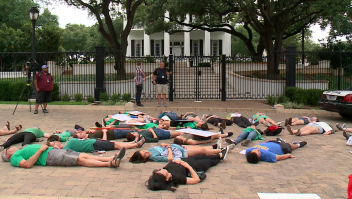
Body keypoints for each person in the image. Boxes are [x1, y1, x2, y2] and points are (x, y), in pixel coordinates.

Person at [145, 153, 226, 191]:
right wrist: (187, 166)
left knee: (204, 155)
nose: (160, 170)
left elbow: (171, 164)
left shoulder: (166, 170)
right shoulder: (177, 178)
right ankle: (220, 157)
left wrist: (176, 161)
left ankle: (219, 154)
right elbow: (196, 180)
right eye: (160, 172)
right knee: (209, 161)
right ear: (166, 178)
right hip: (196, 166)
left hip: (188, 160)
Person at [2, 144, 126, 169]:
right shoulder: (14, 158)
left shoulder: (20, 150)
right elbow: (27, 164)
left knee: (81, 154)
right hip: (49, 157)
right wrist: (40, 150)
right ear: (7, 154)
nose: (11, 146)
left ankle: (109, 158)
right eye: (9, 148)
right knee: (79, 160)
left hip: (52, 151)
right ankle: (110, 164)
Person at [129, 144, 229, 163]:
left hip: (178, 147)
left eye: (143, 151)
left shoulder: (150, 151)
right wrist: (168, 149)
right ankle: (221, 151)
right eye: (144, 155)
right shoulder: (155, 157)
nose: (146, 152)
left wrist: (163, 145)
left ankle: (215, 147)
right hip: (181, 153)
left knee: (198, 148)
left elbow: (160, 147)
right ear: (145, 159)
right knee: (202, 151)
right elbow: (169, 159)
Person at [47, 133, 146, 153]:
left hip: (93, 142)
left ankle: (133, 142)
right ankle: (136, 144)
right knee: (115, 145)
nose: (56, 142)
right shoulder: (66, 148)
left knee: (113, 143)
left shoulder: (67, 143)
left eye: (54, 142)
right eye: (54, 144)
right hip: (93, 145)